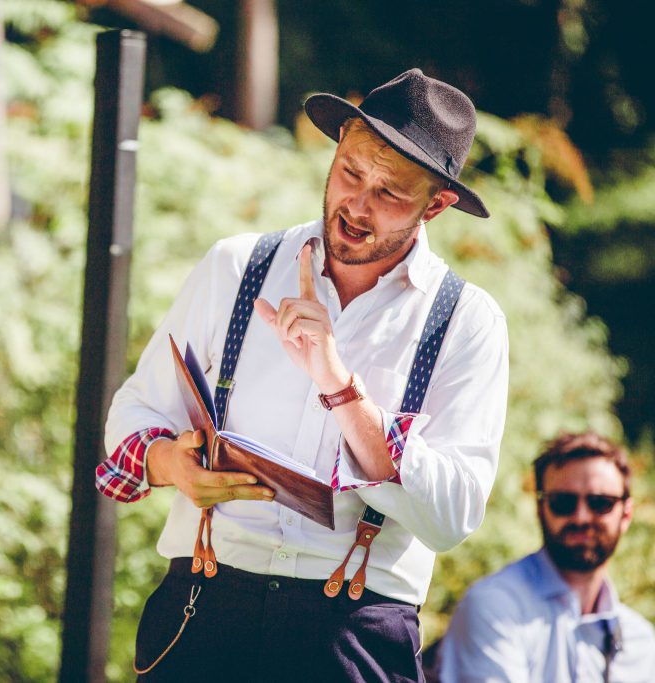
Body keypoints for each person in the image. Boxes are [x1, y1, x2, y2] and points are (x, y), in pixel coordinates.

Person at [97, 68, 509, 681]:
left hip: (354, 632)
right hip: (205, 606)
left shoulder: (466, 321)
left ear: (438, 204)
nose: (357, 205)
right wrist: (173, 466)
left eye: (390, 192)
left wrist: (340, 387)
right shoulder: (237, 266)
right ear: (338, 143)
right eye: (350, 172)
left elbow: (452, 515)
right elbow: (134, 413)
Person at [438, 433, 655, 682]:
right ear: (540, 508)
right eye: (563, 502)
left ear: (626, 515)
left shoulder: (640, 643)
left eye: (600, 503)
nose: (581, 517)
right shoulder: (496, 607)